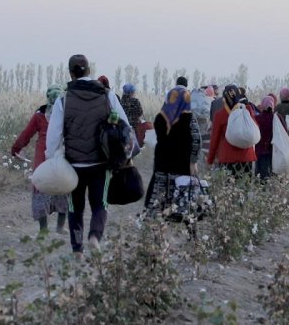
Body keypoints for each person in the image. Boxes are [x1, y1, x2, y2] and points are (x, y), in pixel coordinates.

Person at [46, 54, 131, 257]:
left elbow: (54, 135)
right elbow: (125, 127)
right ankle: (94, 237)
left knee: (75, 207)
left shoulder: (64, 99)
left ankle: (77, 249)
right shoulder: (107, 96)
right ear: (89, 70)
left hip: (73, 165)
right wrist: (126, 155)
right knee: (99, 204)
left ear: (71, 73)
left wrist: (51, 159)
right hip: (100, 163)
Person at [11, 85, 69, 234]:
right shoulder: (66, 114)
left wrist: (16, 149)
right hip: (60, 156)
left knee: (40, 190)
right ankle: (60, 227)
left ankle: (43, 230)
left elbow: (26, 134)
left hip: (42, 158)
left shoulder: (40, 114)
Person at [144, 86, 202, 214]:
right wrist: (193, 161)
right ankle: (181, 221)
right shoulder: (189, 118)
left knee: (159, 199)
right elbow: (197, 141)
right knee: (182, 198)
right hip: (182, 165)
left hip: (162, 164)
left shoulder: (161, 117)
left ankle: (157, 222)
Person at [206, 85, 257, 178]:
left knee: (228, 185)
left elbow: (214, 139)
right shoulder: (247, 110)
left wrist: (210, 160)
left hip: (227, 158)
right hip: (247, 158)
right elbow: (254, 129)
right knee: (245, 185)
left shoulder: (220, 115)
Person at [254, 96, 286, 181]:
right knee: (274, 176)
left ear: (262, 105)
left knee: (261, 177)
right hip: (275, 151)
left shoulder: (257, 118)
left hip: (260, 151)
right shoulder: (278, 118)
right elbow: (284, 133)